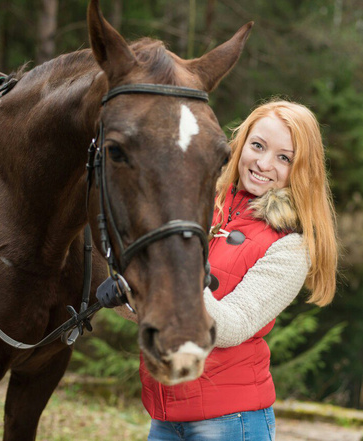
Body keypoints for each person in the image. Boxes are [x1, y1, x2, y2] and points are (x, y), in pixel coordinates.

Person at [122, 100, 338, 440]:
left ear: (302, 168)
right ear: (240, 144)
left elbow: (233, 326)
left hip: (229, 421)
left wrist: (177, 267)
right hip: (166, 411)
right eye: (258, 146)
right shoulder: (202, 205)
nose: (264, 163)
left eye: (284, 157)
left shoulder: (290, 247)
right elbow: (160, 311)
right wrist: (124, 292)